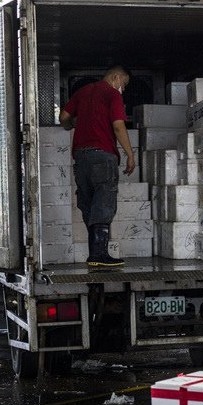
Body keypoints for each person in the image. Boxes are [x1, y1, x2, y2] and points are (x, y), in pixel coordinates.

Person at [59, 66, 136, 269]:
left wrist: (73, 126)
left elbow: (63, 117)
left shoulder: (83, 92)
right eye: (124, 84)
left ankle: (96, 252)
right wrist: (130, 154)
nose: (123, 89)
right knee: (104, 201)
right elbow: (118, 125)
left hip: (81, 157)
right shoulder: (112, 95)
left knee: (88, 203)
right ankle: (100, 253)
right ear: (116, 77)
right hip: (102, 156)